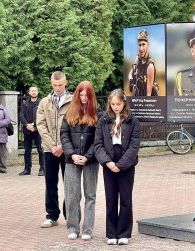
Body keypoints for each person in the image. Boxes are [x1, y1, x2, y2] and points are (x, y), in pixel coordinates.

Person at [94, 89, 141, 245]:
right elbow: (98, 144)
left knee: (126, 199)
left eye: (118, 104)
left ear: (124, 102)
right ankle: (111, 233)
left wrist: (121, 165)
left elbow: (134, 146)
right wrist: (107, 162)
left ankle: (124, 233)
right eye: (112, 104)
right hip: (109, 160)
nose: (115, 107)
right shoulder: (103, 119)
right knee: (111, 198)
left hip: (126, 161)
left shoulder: (132, 120)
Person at [60, 80, 102, 241]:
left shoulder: (98, 113)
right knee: (72, 194)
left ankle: (87, 229)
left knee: (90, 195)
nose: (84, 98)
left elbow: (99, 138)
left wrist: (88, 156)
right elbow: (64, 134)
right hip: (72, 160)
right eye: (81, 94)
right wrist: (71, 154)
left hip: (90, 161)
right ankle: (73, 227)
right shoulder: (70, 111)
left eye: (87, 95)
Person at [37, 71, 73, 228]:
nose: (57, 88)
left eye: (60, 85)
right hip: (49, 149)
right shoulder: (44, 102)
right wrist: (52, 146)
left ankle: (70, 215)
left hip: (67, 149)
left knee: (70, 183)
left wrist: (63, 146)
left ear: (66, 82)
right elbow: (41, 125)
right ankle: (52, 215)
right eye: (54, 85)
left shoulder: (74, 101)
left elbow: (75, 125)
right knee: (50, 182)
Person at [19, 86, 45, 176]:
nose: (33, 92)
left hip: (38, 130)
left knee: (40, 150)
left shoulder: (41, 103)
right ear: (29, 93)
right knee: (27, 151)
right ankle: (27, 169)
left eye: (35, 91)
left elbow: (42, 116)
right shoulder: (25, 103)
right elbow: (21, 115)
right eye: (32, 91)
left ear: (37, 92)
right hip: (27, 130)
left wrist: (33, 124)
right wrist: (27, 125)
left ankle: (42, 169)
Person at [128, 29, 158, 96]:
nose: (141, 49)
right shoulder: (137, 59)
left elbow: (148, 94)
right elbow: (130, 73)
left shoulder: (150, 66)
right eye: (139, 45)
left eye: (143, 45)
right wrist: (131, 81)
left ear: (148, 45)